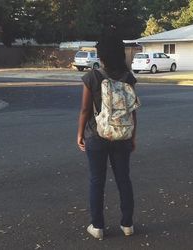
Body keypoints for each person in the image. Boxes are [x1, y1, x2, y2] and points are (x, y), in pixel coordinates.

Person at [77, 32, 137, 240]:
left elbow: (85, 110)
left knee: (97, 180)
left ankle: (98, 227)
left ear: (101, 55)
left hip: (97, 135)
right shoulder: (128, 77)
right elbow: (132, 110)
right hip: (123, 135)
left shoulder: (92, 77)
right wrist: (133, 136)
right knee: (124, 179)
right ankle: (127, 225)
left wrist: (79, 134)